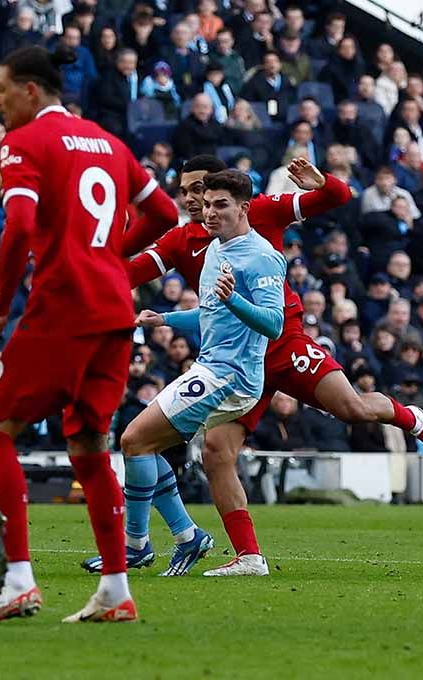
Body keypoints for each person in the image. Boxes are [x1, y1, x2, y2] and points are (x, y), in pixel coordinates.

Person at [85, 155, 423, 577]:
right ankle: (248, 555)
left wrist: (322, 182)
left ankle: (413, 419)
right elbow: (130, 274)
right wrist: (91, 266)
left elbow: (336, 196)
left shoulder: (260, 212)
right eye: (188, 192)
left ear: (232, 197)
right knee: (216, 452)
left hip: (283, 345)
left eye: (202, 190)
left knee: (351, 408)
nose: (195, 200)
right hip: (236, 358)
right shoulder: (183, 240)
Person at [0, 45, 171, 627]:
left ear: (31, 91)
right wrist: (105, 255)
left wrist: (0, 311)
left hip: (65, 309)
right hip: (114, 312)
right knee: (88, 443)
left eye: (1, 89)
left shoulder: (25, 142)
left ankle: (15, 581)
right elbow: (166, 215)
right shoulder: (109, 141)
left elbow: (20, 224)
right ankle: (115, 588)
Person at [118, 168, 286, 579]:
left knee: (134, 439)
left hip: (230, 376)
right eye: (206, 204)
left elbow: (274, 323)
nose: (209, 212)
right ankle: (232, 551)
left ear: (244, 208)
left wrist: (235, 302)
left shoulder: (260, 256)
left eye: (220, 205)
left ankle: (138, 544)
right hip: (214, 368)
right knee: (194, 453)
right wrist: (166, 319)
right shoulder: (217, 249)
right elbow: (211, 314)